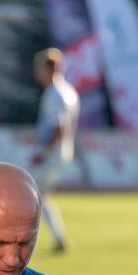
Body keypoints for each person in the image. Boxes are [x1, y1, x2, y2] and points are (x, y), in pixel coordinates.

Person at [30, 48, 79, 253]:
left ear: (49, 69)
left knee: (30, 195)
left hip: (53, 151)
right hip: (62, 150)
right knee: (39, 196)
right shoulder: (68, 90)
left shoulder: (54, 93)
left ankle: (22, 241)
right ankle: (58, 238)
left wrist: (44, 151)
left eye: (40, 68)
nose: (36, 72)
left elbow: (60, 127)